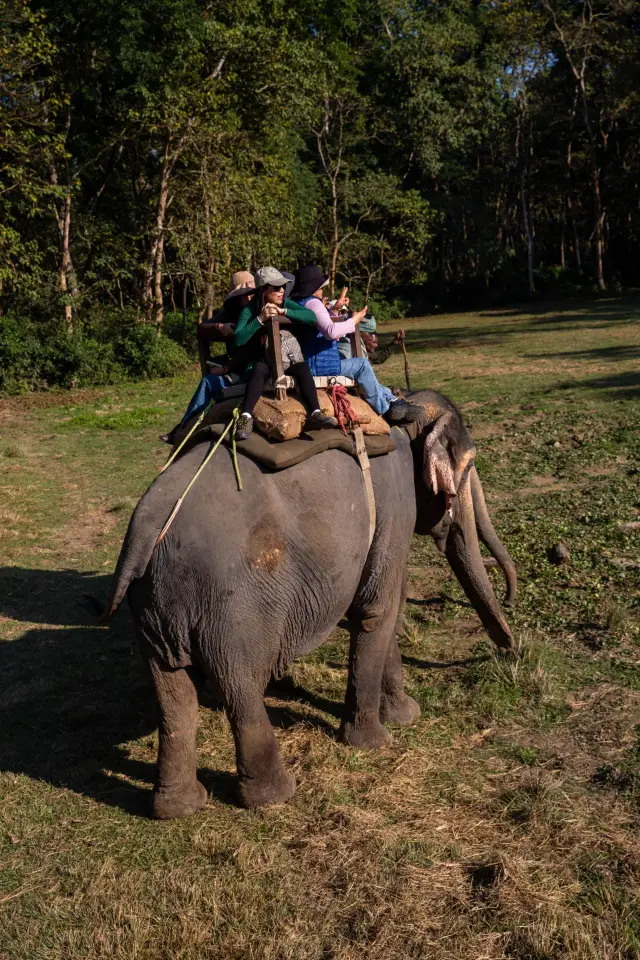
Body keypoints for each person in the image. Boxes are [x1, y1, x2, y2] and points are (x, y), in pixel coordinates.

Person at [290, 265, 423, 424]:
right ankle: (386, 409)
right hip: (322, 365)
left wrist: (335, 310)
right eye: (320, 287)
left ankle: (393, 401)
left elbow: (318, 326)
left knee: (363, 371)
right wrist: (354, 321)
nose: (322, 291)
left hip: (313, 363)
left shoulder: (300, 302)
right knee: (362, 365)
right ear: (313, 286)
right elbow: (331, 331)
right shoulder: (314, 303)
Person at [230, 266, 336, 440]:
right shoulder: (250, 310)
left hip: (289, 361)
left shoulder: (284, 302)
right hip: (265, 362)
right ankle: (246, 416)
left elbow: (311, 317)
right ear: (264, 290)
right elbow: (238, 339)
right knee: (258, 368)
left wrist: (284, 312)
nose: (281, 291)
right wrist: (260, 319)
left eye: (282, 287)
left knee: (302, 368)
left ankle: (315, 412)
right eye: (276, 288)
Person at [160, 271, 255, 443]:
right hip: (235, 365)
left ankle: (181, 429)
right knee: (210, 380)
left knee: (208, 382)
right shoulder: (230, 312)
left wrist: (227, 368)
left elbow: (249, 350)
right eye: (245, 294)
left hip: (247, 368)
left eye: (252, 293)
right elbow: (202, 329)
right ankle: (184, 426)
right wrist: (220, 327)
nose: (249, 297)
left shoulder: (257, 311)